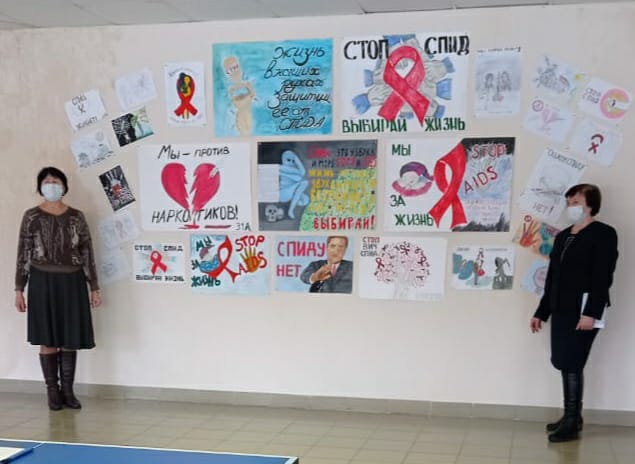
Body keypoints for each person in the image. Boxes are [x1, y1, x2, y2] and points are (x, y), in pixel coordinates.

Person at [530, 184, 618, 442]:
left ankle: (571, 420)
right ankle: (572, 416)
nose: (571, 207)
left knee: (573, 361)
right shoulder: (563, 236)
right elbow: (553, 278)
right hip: (561, 308)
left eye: (576, 202)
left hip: (584, 310)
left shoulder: (604, 234)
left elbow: (603, 276)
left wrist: (591, 312)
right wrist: (541, 312)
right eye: (568, 203)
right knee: (562, 360)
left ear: (590, 204)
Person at [14, 167, 101, 411]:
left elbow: (87, 252)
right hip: (42, 281)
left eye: (56, 181)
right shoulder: (31, 217)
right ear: (40, 186)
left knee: (70, 337)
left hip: (73, 281)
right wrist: (19, 288)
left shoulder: (77, 217)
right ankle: (53, 391)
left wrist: (94, 286)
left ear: (64, 186)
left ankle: (68, 392)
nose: (51, 185)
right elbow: (23, 253)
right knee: (47, 337)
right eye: (47, 181)